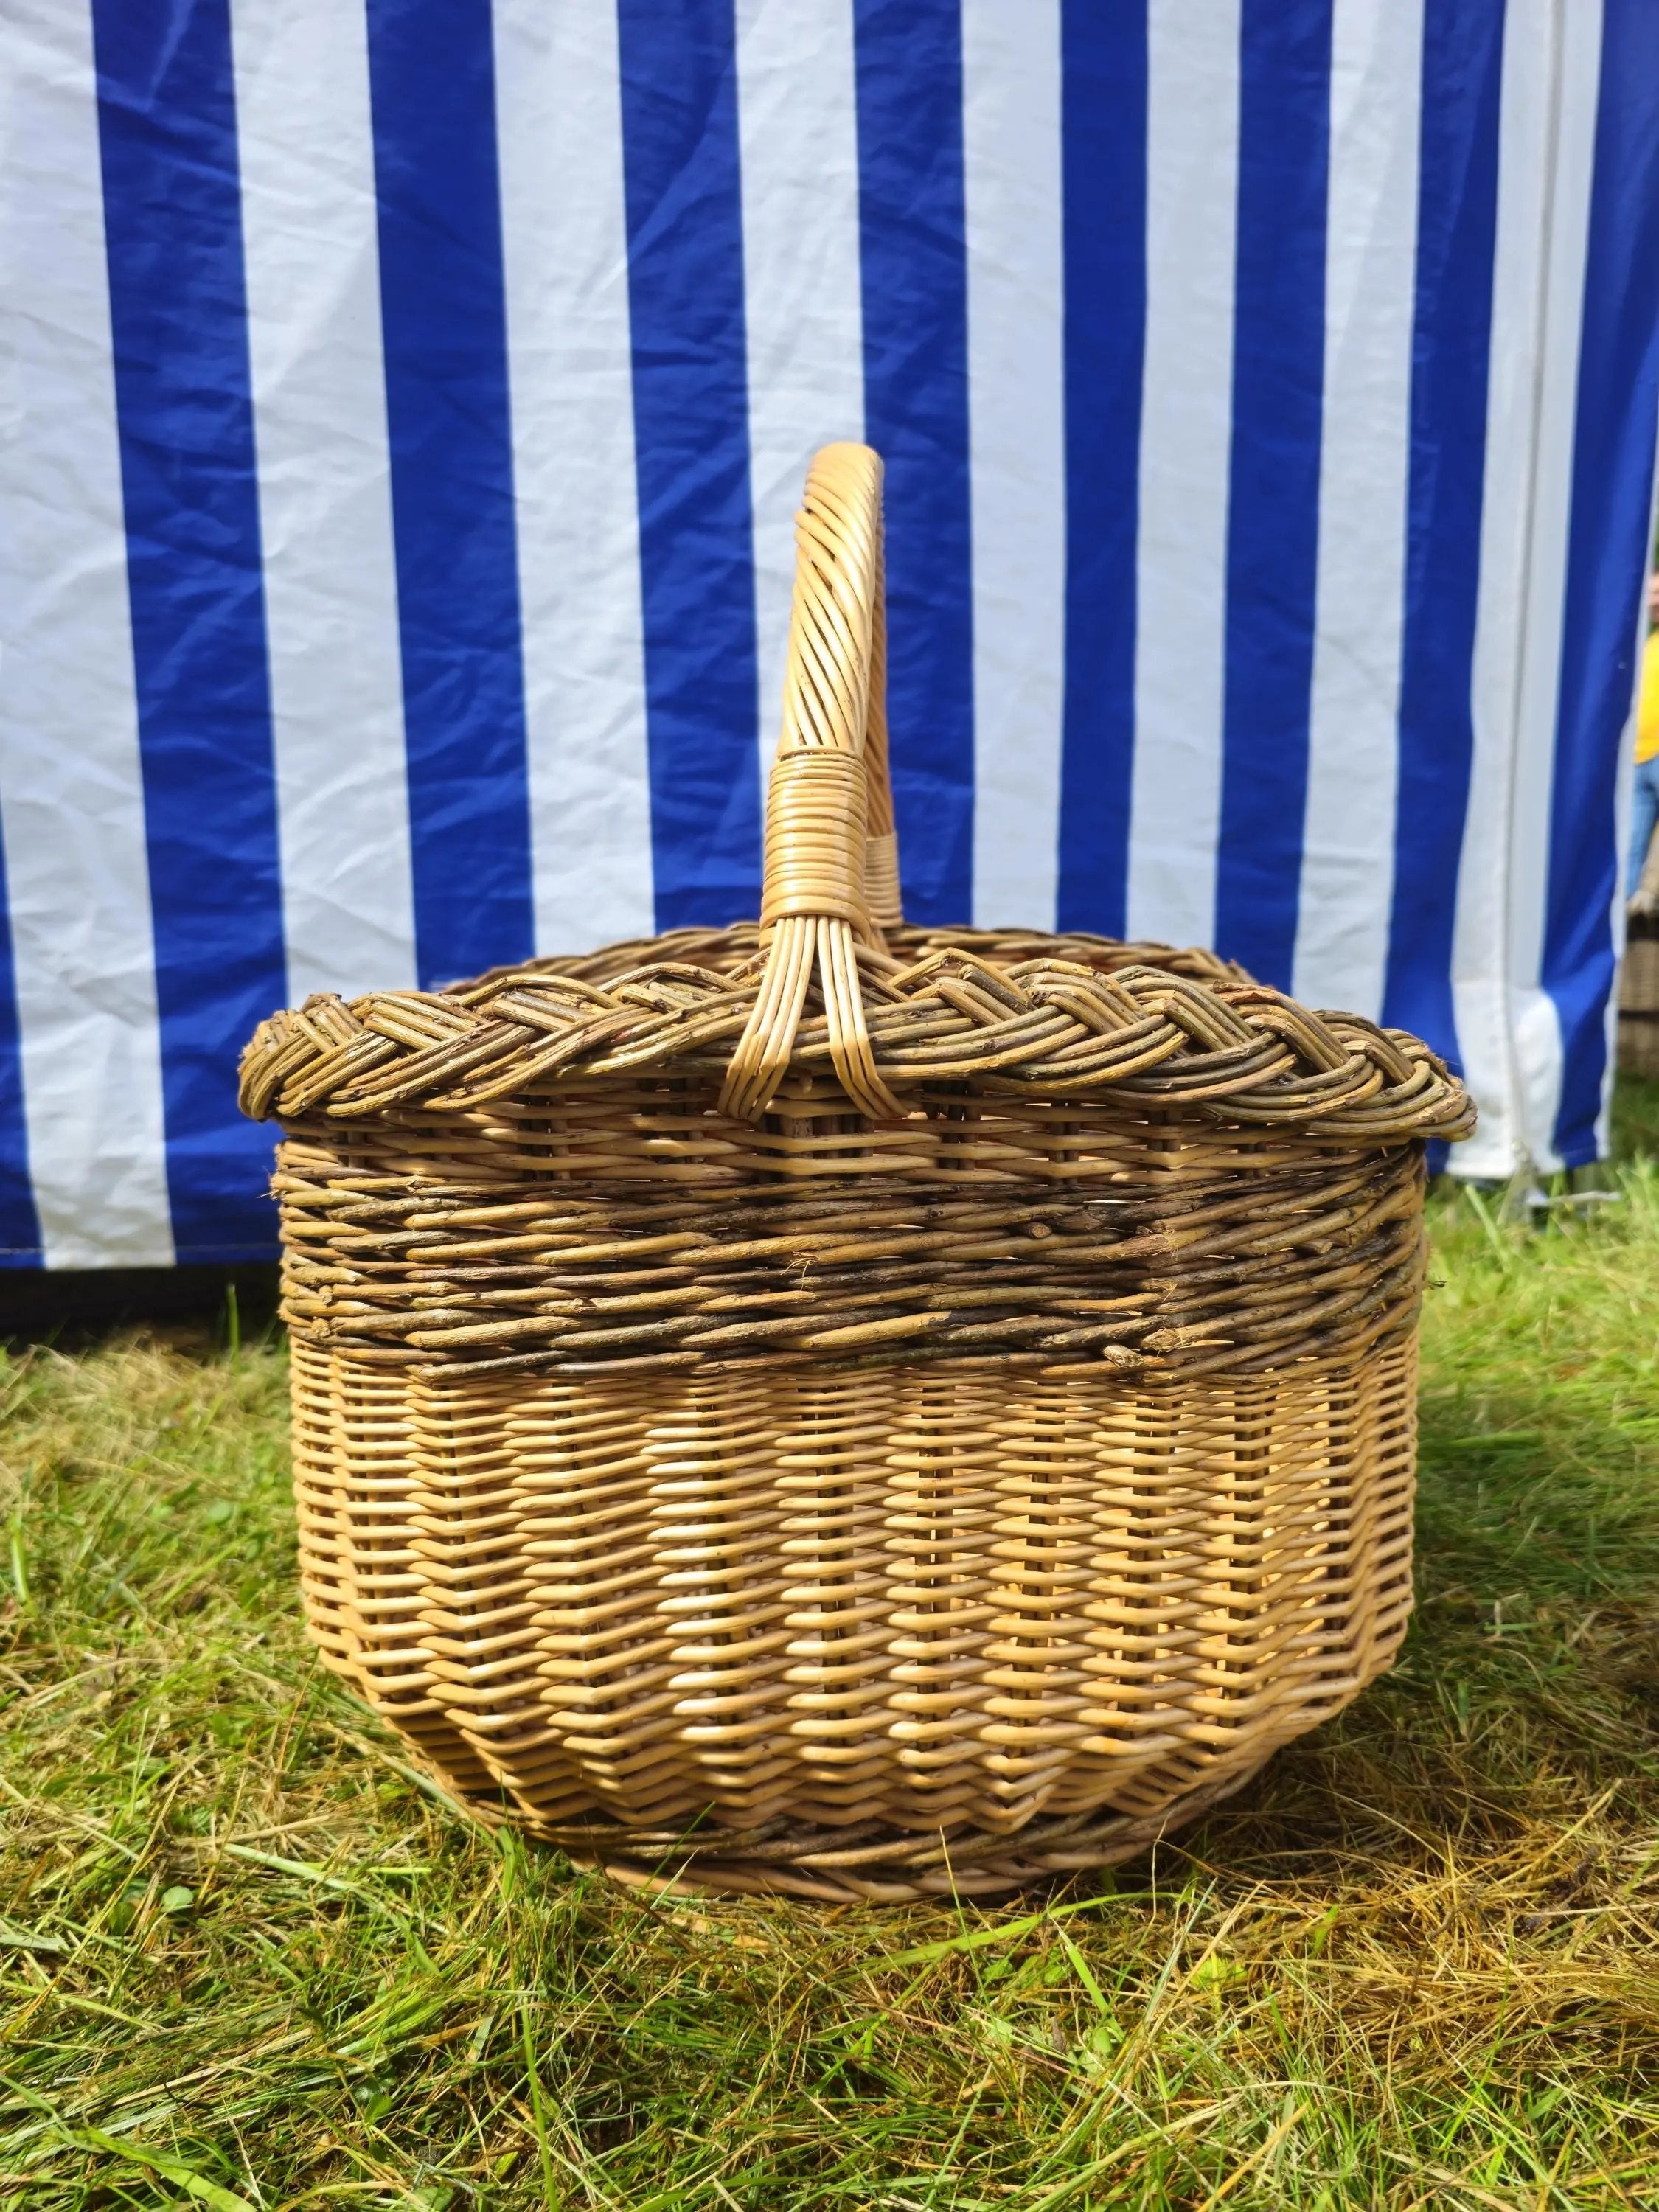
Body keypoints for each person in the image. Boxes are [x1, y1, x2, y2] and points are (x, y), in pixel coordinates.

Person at [1628, 571, 1659, 908]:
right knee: (1632, 842)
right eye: (1651, 593)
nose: (1655, 599)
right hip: (1639, 758)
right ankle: (1627, 921)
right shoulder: (1648, 646)